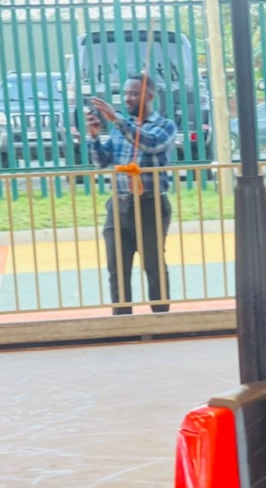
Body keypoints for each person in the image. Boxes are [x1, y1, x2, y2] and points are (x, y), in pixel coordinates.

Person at [88, 74, 177, 315]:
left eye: (134, 93)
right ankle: (123, 321)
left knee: (153, 265)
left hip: (150, 205)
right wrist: (94, 137)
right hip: (119, 205)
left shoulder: (164, 126)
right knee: (117, 267)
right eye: (126, 93)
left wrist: (117, 120)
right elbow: (101, 161)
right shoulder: (121, 128)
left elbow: (150, 144)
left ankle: (160, 319)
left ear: (150, 96)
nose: (127, 98)